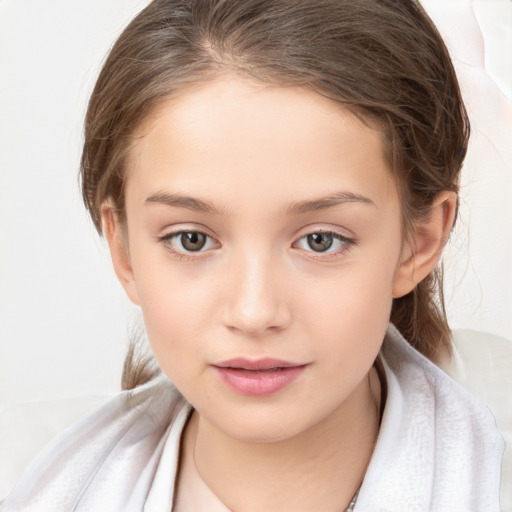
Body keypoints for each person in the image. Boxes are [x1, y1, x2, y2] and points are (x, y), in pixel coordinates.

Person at [1, 0, 504, 510]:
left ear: (417, 242)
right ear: (123, 248)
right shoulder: (23, 481)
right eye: (191, 239)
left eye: (320, 240)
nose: (254, 312)